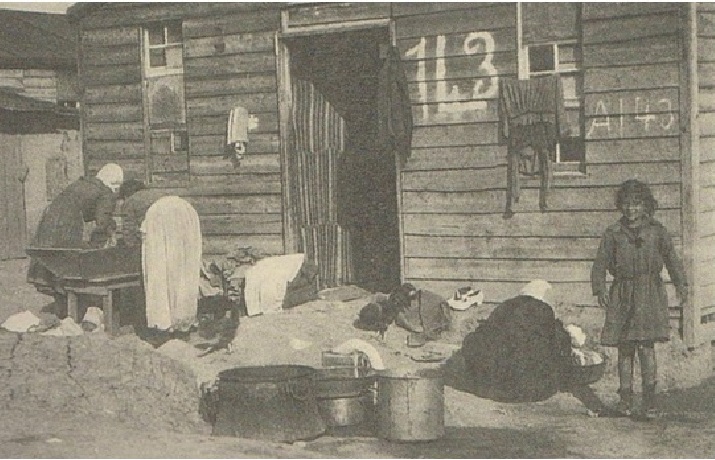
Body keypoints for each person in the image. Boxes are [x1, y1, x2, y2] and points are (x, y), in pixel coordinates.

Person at [591, 179, 688, 421]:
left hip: (649, 293)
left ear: (646, 206)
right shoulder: (613, 233)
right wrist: (600, 289)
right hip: (622, 293)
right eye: (626, 204)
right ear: (620, 205)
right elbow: (600, 263)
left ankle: (649, 403)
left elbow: (672, 260)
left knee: (646, 348)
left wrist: (681, 285)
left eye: (636, 204)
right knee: (625, 348)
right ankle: (625, 400)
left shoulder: (657, 231)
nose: (631, 209)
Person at [27, 163, 124, 311]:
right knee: (69, 262)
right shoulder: (105, 192)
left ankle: (62, 304)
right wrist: (98, 247)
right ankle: (72, 304)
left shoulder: (84, 183)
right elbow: (102, 222)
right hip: (66, 224)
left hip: (49, 219)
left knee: (54, 261)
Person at [117, 180, 202, 344]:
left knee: (158, 277)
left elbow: (129, 233)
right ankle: (182, 322)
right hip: (186, 214)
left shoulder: (130, 202)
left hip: (161, 222)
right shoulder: (158, 195)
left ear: (126, 194)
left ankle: (161, 325)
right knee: (180, 274)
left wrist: (132, 253)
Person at [461, 280, 573, 403]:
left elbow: (481, 336)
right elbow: (560, 347)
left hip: (492, 388)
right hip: (536, 392)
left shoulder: (504, 307)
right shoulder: (545, 310)